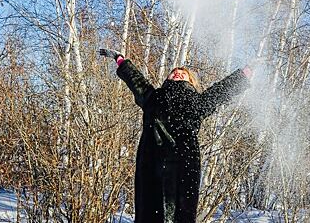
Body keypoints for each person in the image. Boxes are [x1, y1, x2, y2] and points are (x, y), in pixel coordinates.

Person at [100, 48, 252, 223]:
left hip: (184, 166)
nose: (178, 73)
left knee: (182, 214)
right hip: (152, 164)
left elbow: (219, 92)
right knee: (149, 212)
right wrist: (121, 60)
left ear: (192, 81)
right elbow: (136, 81)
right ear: (167, 79)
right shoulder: (152, 96)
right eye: (174, 72)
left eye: (183, 73)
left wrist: (244, 73)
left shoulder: (198, 102)